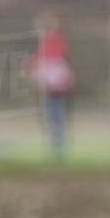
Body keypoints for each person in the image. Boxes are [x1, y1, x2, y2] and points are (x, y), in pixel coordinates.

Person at [24, 11, 75, 159]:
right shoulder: (48, 44)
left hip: (55, 87)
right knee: (51, 116)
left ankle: (58, 146)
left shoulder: (55, 42)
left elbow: (50, 59)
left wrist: (33, 67)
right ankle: (55, 144)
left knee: (55, 115)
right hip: (50, 87)